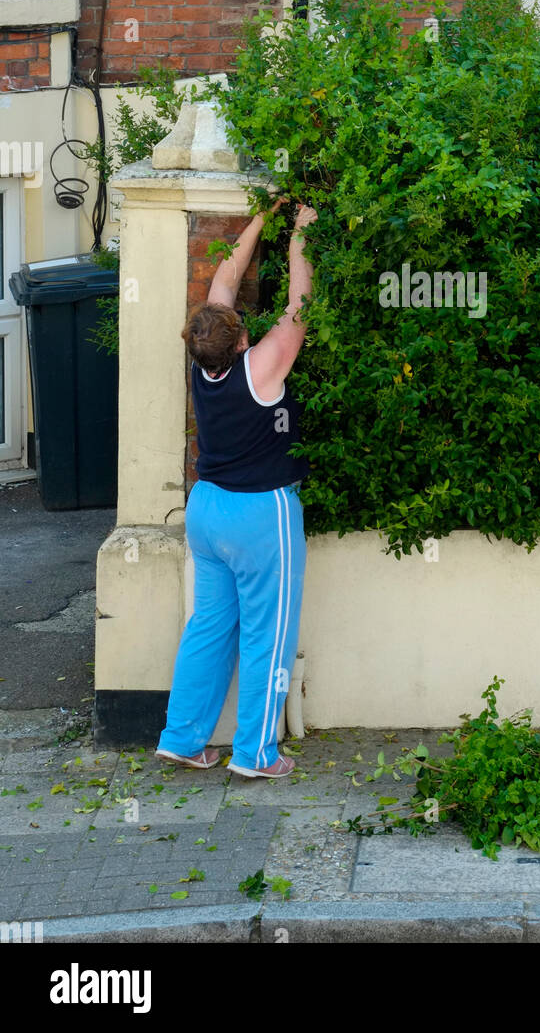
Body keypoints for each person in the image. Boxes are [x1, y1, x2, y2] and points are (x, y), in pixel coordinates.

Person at [155, 198, 317, 778]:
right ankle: (256, 753)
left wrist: (259, 220)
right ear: (241, 335)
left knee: (208, 627)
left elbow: (224, 277)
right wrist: (299, 232)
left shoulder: (204, 361)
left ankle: (182, 737)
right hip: (259, 515)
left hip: (207, 510)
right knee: (269, 634)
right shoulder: (262, 367)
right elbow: (300, 307)